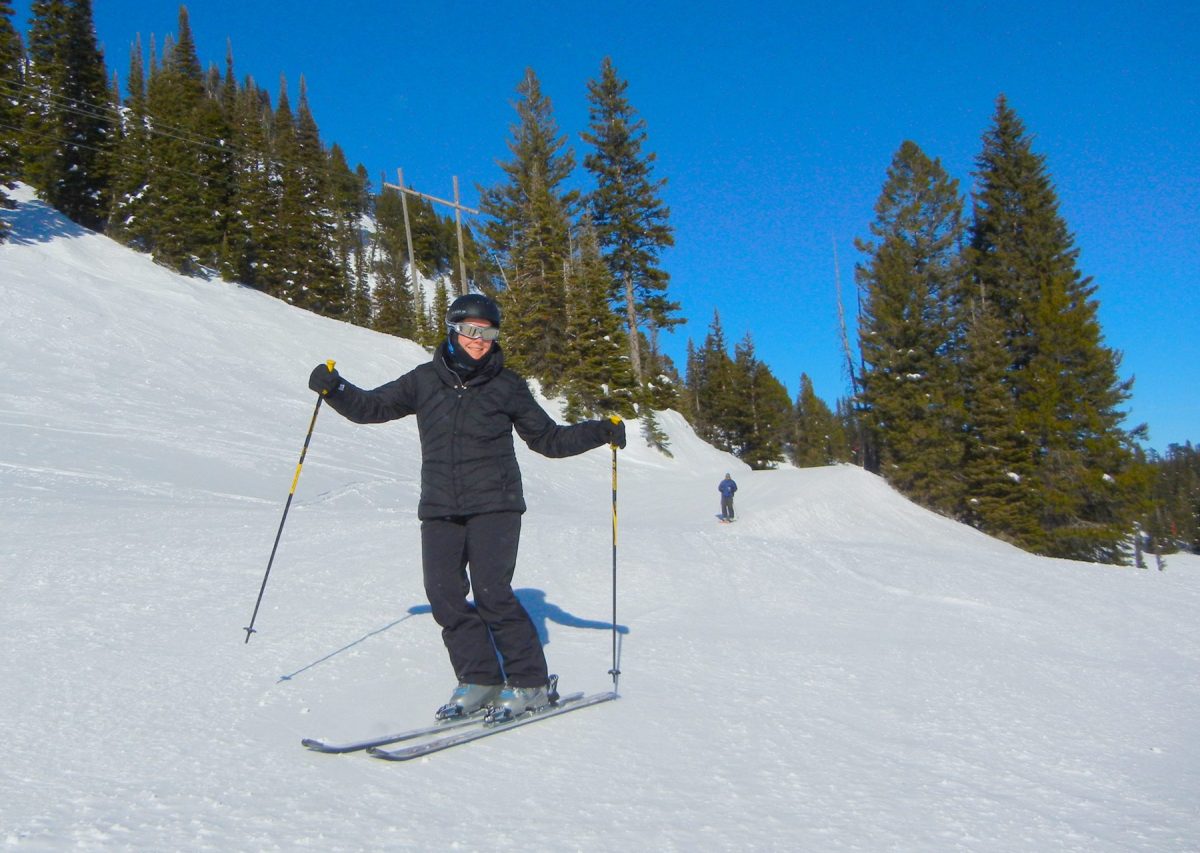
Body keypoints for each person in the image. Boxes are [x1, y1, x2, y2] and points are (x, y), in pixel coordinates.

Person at [307, 293, 625, 722]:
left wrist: (599, 431)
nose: (479, 340)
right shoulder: (424, 380)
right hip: (439, 504)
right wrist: (337, 389)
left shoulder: (507, 385)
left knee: (493, 594)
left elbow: (548, 440)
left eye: (488, 332)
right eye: (471, 331)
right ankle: (480, 678)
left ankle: (529, 683)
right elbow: (373, 408)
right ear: (453, 330)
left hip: (496, 503)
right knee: (444, 596)